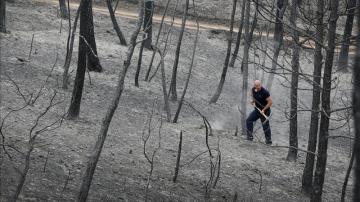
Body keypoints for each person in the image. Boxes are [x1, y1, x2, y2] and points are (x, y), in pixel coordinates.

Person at [246, 80, 273, 145]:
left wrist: (263, 109)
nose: (257, 87)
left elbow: (270, 102)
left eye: (258, 86)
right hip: (257, 110)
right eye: (255, 86)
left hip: (265, 111)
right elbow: (254, 97)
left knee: (265, 126)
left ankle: (268, 141)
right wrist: (253, 101)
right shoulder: (253, 89)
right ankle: (250, 137)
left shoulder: (265, 92)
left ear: (260, 85)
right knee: (248, 120)